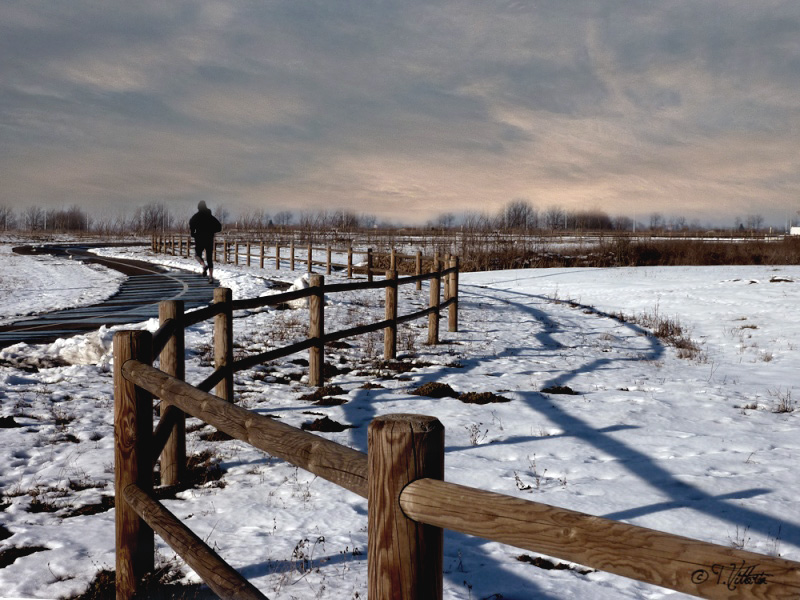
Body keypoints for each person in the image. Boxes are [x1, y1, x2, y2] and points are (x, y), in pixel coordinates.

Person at [189, 201, 222, 283]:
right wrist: (211, 231)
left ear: (198, 208)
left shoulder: (196, 217)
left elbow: (191, 223)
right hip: (209, 239)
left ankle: (203, 265)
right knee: (209, 258)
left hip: (199, 239)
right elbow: (219, 227)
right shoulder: (211, 217)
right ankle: (210, 277)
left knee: (197, 255)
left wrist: (193, 233)